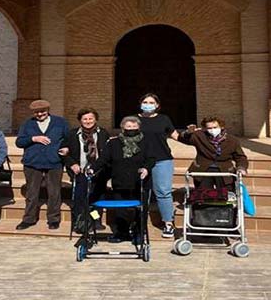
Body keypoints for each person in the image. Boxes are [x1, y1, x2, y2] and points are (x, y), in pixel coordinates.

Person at [89, 116, 155, 243]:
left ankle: (139, 233)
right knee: (120, 209)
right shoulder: (113, 143)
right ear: (123, 128)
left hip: (140, 181)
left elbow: (151, 158)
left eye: (134, 127)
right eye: (128, 127)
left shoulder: (146, 142)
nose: (131, 129)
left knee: (140, 209)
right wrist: (92, 168)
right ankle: (122, 233)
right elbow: (103, 159)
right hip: (120, 180)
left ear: (139, 128)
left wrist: (146, 168)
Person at [15, 99, 69, 230]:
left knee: (54, 192)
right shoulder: (27, 124)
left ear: (48, 110)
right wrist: (33, 138)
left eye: (42, 111)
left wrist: (66, 148)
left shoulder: (60, 122)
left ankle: (53, 219)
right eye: (36, 112)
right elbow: (19, 142)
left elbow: (68, 139)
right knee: (32, 193)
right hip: (32, 162)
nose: (40, 114)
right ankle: (29, 219)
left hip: (54, 161)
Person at [137, 93, 179, 239]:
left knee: (163, 191)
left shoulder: (163, 119)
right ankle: (137, 224)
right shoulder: (134, 119)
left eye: (151, 102)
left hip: (162, 160)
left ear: (157, 105)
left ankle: (168, 223)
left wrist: (195, 136)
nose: (148, 104)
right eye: (145, 101)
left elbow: (176, 135)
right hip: (140, 161)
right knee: (140, 192)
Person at [64, 108, 110, 232]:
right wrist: (72, 164)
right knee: (81, 198)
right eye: (85, 119)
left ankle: (95, 220)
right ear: (80, 120)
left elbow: (108, 152)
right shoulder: (72, 134)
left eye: (91, 118)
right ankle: (81, 220)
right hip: (80, 171)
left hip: (98, 171)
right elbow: (62, 152)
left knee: (96, 197)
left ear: (95, 120)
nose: (88, 121)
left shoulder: (103, 133)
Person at [179, 115, 248, 189]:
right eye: (209, 128)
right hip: (203, 169)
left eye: (215, 127)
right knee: (203, 195)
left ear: (221, 127)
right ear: (205, 128)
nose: (212, 130)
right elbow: (182, 138)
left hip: (225, 170)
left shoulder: (232, 140)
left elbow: (240, 157)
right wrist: (188, 133)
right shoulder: (199, 135)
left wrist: (241, 168)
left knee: (226, 195)